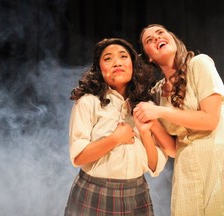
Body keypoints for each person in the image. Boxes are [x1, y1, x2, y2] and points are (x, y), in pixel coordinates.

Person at [134, 24, 224, 216]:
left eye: (161, 33)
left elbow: (210, 120)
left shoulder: (199, 64)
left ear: (173, 39)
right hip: (186, 173)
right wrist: (150, 125)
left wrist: (160, 112)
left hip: (219, 162)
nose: (157, 38)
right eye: (149, 40)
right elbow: (172, 149)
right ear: (149, 56)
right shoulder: (158, 92)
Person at [64, 38, 176, 216]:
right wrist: (116, 138)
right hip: (94, 192)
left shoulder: (147, 106)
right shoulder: (88, 102)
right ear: (99, 70)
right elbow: (78, 157)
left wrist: (146, 133)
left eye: (123, 56)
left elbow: (154, 166)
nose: (117, 62)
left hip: (137, 194)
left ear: (133, 64)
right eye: (108, 58)